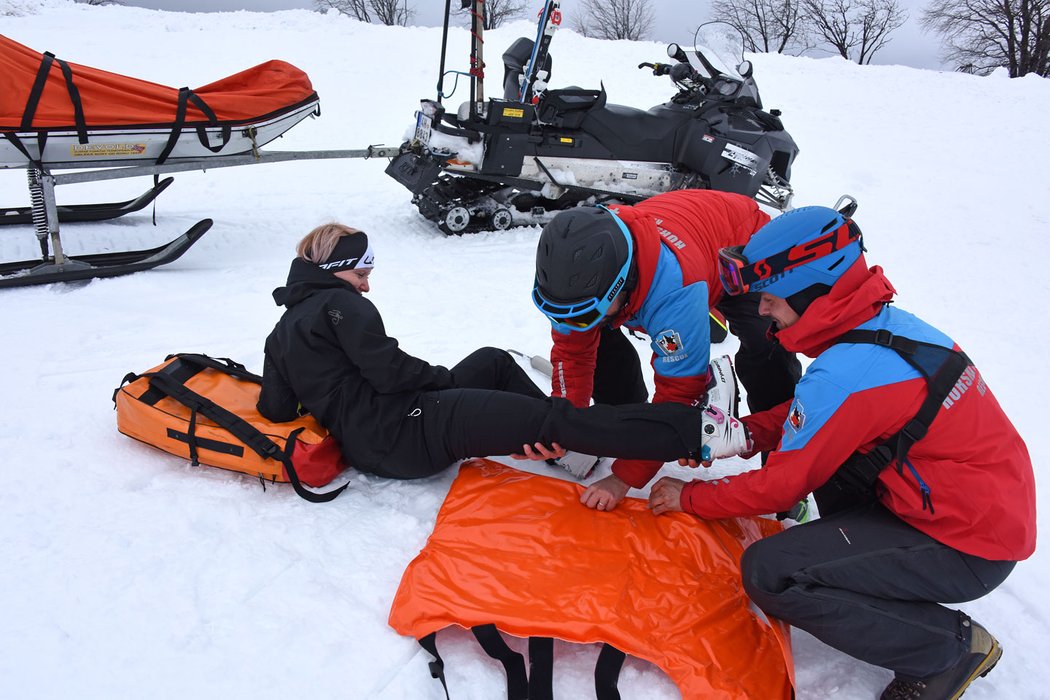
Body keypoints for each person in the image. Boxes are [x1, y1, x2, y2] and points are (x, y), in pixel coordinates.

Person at [647, 204, 1036, 699]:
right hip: (968, 504)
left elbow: (784, 484)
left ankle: (947, 653)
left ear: (814, 292)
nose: (762, 310)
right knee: (824, 463)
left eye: (771, 298)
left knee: (770, 572)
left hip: (966, 543)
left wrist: (689, 499)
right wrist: (742, 435)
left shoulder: (849, 374)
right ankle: (860, 563)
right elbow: (820, 412)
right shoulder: (881, 328)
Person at [256, 223, 710, 485]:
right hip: (407, 435)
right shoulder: (342, 304)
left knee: (492, 360)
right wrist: (436, 378)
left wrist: (326, 396)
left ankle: (562, 447)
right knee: (558, 420)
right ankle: (694, 431)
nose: (367, 284)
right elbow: (391, 373)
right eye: (361, 273)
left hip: (377, 435)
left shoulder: (279, 333)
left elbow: (274, 407)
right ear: (338, 270)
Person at [532, 189, 802, 510]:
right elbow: (572, 353)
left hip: (743, 244)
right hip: (694, 251)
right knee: (596, 335)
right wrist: (565, 425)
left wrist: (624, 478)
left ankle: (785, 476)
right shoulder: (570, 282)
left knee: (766, 352)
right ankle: (624, 426)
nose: (580, 322)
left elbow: (679, 394)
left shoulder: (674, 289)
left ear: (625, 283)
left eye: (592, 313)